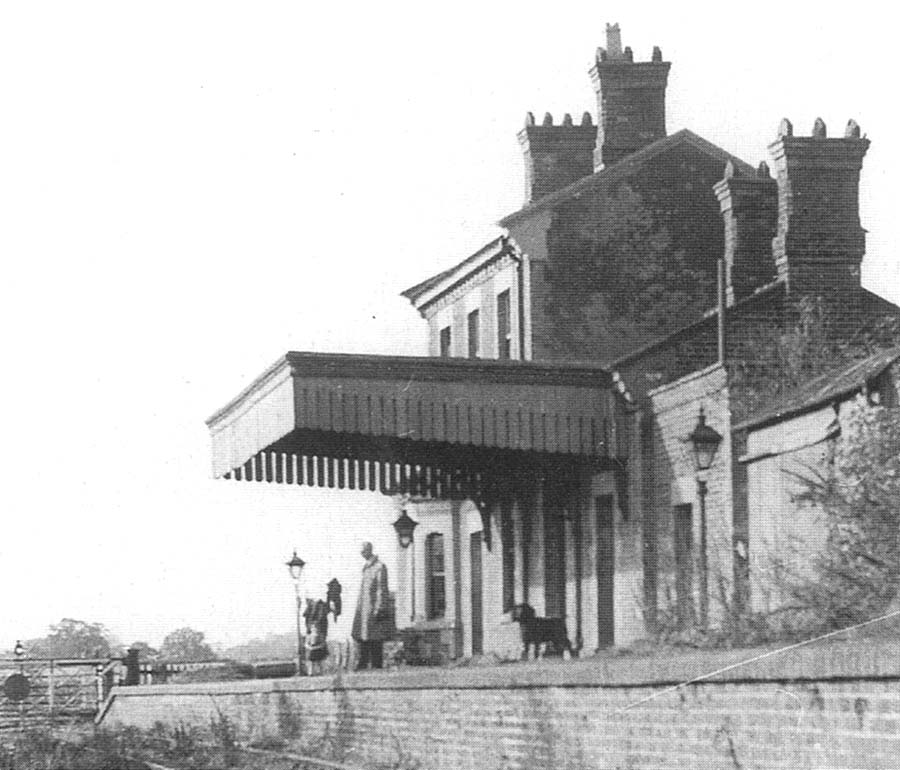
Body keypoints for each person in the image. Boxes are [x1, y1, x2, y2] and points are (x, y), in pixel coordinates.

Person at [351, 541, 394, 669]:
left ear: (370, 550)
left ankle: (376, 664)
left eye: (364, 551)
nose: (362, 554)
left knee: (375, 638)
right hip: (364, 608)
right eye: (361, 552)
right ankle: (363, 662)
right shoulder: (366, 568)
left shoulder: (379, 567)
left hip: (373, 609)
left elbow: (381, 589)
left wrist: (379, 608)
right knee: (363, 636)